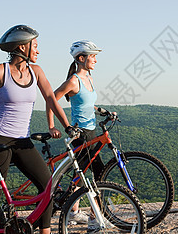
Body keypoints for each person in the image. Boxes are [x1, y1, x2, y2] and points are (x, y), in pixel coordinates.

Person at [0, 25, 71, 234]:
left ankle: (45, 231)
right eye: (36, 46)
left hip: (22, 140)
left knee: (47, 185)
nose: (38, 51)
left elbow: (51, 99)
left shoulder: (37, 71)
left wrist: (67, 126)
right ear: (23, 47)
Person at [46, 40, 115, 230]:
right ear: (81, 58)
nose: (95, 60)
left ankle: (74, 212)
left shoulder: (89, 78)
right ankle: (94, 219)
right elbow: (51, 100)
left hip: (91, 132)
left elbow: (85, 104)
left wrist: (102, 111)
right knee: (96, 175)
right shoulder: (73, 80)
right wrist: (52, 126)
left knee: (83, 173)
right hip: (80, 134)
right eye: (92, 56)